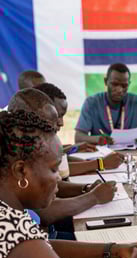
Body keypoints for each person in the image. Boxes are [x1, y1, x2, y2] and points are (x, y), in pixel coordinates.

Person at [0, 109, 137, 258]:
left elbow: (42, 247)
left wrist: (113, 251)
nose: (59, 177)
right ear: (20, 170)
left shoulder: (9, 216)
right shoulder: (9, 227)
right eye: (53, 169)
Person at [8, 88, 117, 239]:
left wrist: (85, 188)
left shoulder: (27, 146)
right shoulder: (12, 157)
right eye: (55, 117)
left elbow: (51, 177)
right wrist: (94, 194)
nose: (61, 122)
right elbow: (45, 213)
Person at [34, 83, 124, 176]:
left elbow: (59, 156)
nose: (61, 123)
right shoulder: (28, 141)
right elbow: (56, 170)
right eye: (57, 116)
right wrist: (100, 163)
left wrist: (76, 149)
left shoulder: (44, 137)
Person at [75, 63, 137, 145]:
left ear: (129, 84)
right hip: (102, 155)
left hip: (130, 153)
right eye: (114, 84)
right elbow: (78, 137)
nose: (119, 90)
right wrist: (98, 139)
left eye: (124, 86)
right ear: (106, 81)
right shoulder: (92, 103)